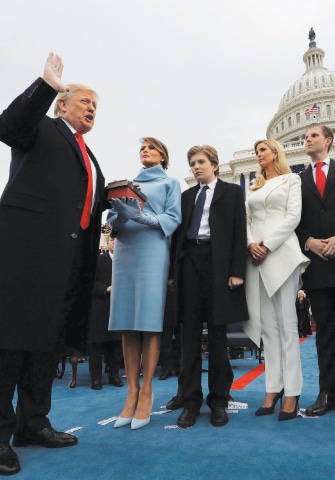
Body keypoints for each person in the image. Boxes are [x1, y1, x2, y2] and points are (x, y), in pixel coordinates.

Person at [0, 53, 106, 476]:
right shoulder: (41, 126)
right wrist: (46, 86)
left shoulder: (88, 154)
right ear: (63, 105)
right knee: (9, 346)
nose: (92, 109)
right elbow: (9, 126)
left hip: (65, 264)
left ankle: (34, 423)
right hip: (25, 256)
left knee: (44, 345)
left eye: (96, 106)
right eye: (85, 102)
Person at [168, 145, 248, 428]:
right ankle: (189, 401)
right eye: (191, 163)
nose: (195, 167)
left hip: (218, 264)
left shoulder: (232, 192)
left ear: (215, 165)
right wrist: (172, 272)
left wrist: (237, 271)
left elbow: (240, 232)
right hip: (189, 262)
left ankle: (218, 400)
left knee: (217, 335)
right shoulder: (187, 196)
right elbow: (177, 236)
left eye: (200, 162)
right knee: (188, 336)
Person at [107, 137, 181, 430]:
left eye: (151, 147)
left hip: (153, 250)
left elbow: (173, 218)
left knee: (148, 321)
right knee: (127, 321)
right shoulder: (124, 184)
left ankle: (147, 391)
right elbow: (113, 223)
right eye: (142, 148)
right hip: (125, 251)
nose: (145, 151)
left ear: (163, 155)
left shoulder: (170, 183)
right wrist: (121, 218)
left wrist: (143, 216)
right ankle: (131, 392)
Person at [244, 139, 310, 422]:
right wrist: (251, 245)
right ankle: (273, 388)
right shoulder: (253, 187)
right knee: (267, 327)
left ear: (275, 154)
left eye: (263, 150)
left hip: (281, 254)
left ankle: (293, 392)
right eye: (256, 151)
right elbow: (245, 220)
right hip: (255, 258)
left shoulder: (291, 180)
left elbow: (293, 217)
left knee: (288, 325)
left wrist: (267, 244)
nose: (258, 155)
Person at [296, 123, 335, 416]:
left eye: (313, 135)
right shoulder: (297, 181)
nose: (307, 139)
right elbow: (293, 221)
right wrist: (309, 241)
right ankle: (327, 393)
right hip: (318, 268)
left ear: (328, 141)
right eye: (305, 136)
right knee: (326, 334)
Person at [88, 236, 124, 390]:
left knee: (116, 345)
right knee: (96, 346)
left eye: (117, 241)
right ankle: (96, 379)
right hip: (101, 307)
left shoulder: (127, 261)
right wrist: (106, 288)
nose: (115, 243)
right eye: (112, 241)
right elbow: (90, 281)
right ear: (107, 243)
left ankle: (114, 376)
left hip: (120, 307)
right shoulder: (99, 260)